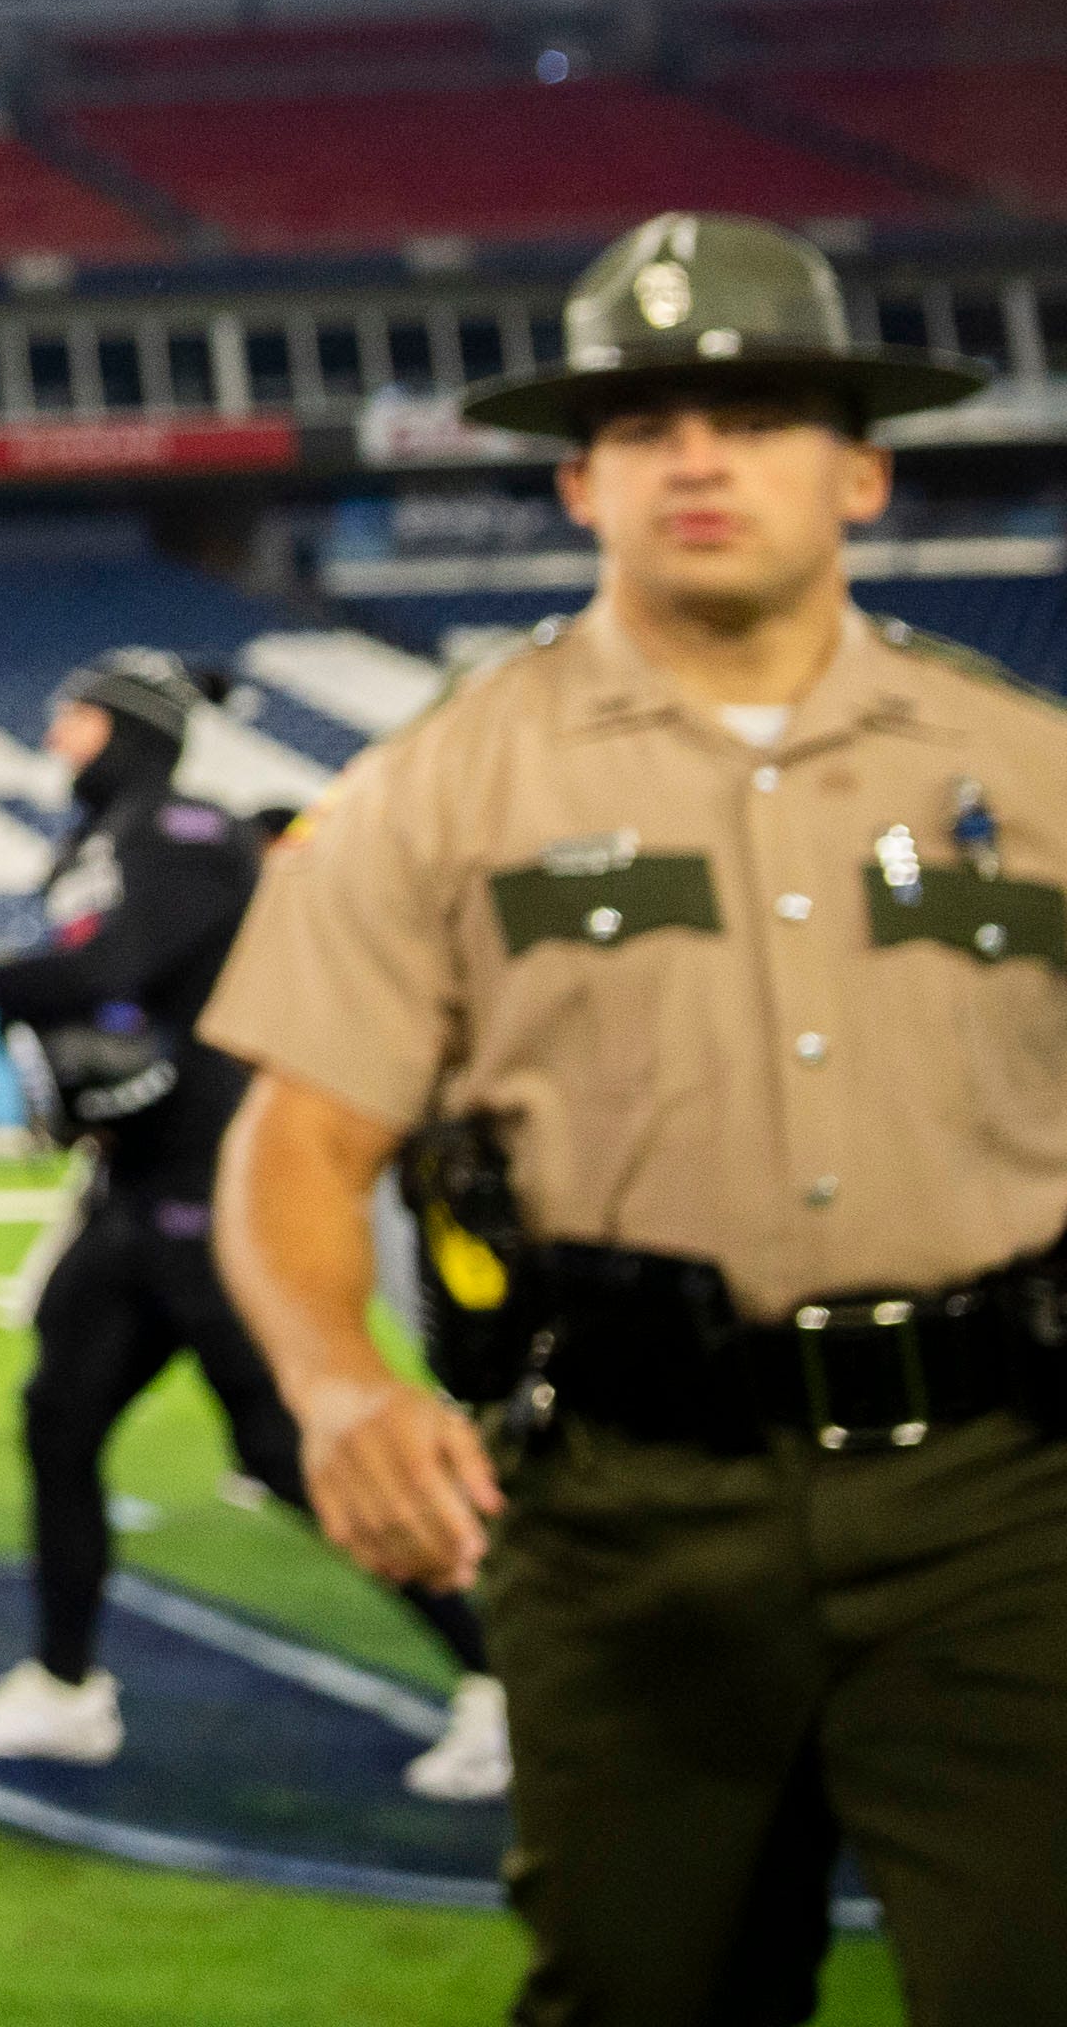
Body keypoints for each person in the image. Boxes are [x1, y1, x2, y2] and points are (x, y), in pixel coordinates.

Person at [209, 211, 1067, 2020]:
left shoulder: (1030, 770)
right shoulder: (434, 788)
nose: (698, 460)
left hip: (1009, 1503)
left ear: (861, 474)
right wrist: (337, 1381)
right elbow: (299, 1140)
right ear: (580, 483)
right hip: (625, 1513)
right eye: (646, 424)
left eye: (753, 418)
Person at [0, 649, 506, 1793]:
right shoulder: (109, 837)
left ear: (123, 726)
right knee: (59, 1416)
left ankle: (504, 1677)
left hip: (208, 1181)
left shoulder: (181, 831)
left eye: (75, 716)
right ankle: (65, 1687)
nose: (55, 736)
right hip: (135, 1184)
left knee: (283, 1446)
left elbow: (116, 965)